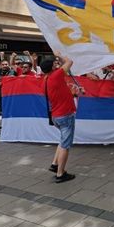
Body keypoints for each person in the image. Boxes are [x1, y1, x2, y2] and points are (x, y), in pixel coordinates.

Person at [41, 53, 77, 183]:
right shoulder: (56, 75)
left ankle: (55, 164)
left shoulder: (45, 79)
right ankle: (61, 174)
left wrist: (70, 94)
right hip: (65, 115)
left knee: (62, 141)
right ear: (52, 67)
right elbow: (70, 61)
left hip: (56, 115)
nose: (57, 65)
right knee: (65, 145)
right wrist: (60, 55)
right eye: (55, 64)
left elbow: (58, 93)